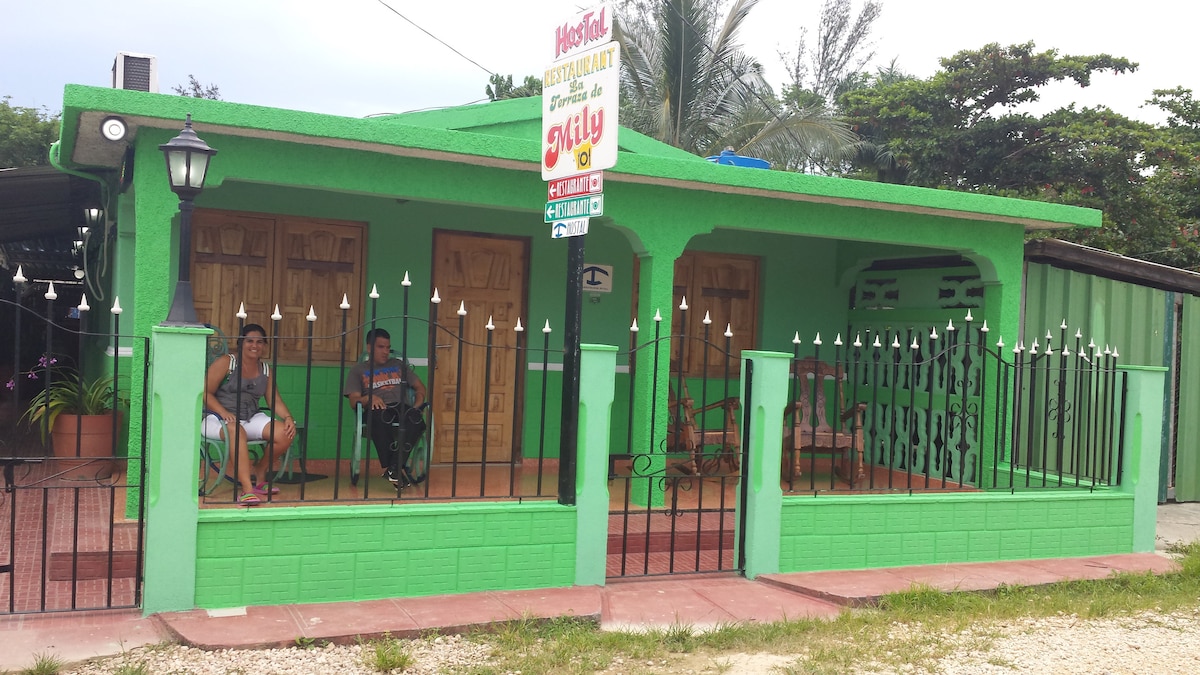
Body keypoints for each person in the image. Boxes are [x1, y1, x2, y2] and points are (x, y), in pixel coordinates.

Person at [202, 324, 297, 506]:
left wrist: (288, 418)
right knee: (236, 431)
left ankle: (260, 469)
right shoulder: (227, 363)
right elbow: (206, 392)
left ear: (265, 346)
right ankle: (247, 489)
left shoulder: (266, 370)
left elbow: (274, 400)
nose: (255, 345)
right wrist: (223, 412)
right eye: (250, 341)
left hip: (250, 417)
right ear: (240, 343)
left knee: (285, 433)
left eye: (260, 342)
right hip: (217, 418)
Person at [343, 328, 428, 487]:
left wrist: (417, 405)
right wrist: (368, 398)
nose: (385, 352)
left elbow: (420, 387)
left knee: (417, 420)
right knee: (378, 417)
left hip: (401, 407)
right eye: (381, 347)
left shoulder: (398, 365)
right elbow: (353, 401)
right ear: (369, 348)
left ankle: (393, 469)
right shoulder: (358, 370)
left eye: (388, 347)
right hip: (377, 408)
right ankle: (395, 468)